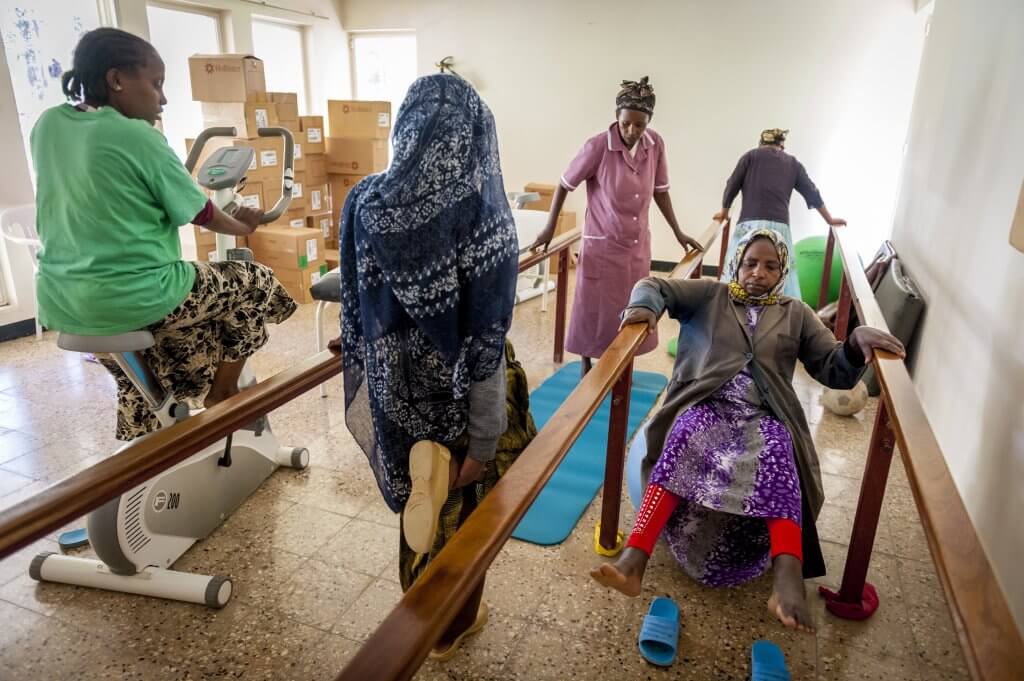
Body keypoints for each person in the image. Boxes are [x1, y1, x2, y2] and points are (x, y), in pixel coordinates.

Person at [590, 229, 905, 632]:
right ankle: (635, 558)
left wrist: (855, 343)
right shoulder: (711, 296)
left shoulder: (796, 312)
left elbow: (831, 367)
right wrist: (646, 310)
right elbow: (654, 284)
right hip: (707, 403)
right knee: (686, 431)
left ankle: (788, 577)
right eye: (750, 263)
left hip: (763, 414)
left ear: (782, 271)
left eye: (771, 266)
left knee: (778, 449)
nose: (759, 272)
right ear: (737, 264)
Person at [337, 74, 537, 660]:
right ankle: (450, 627)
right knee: (464, 514)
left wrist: (363, 348)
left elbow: (356, 297)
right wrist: (483, 440)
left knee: (418, 505)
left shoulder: (365, 199)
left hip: (395, 396)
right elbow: (482, 349)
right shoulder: (483, 215)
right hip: (457, 404)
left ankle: (421, 614)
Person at [32, 28, 296, 440]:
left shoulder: (48, 125)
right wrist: (243, 225)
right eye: (156, 84)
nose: (163, 99)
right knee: (254, 283)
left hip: (61, 300)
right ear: (117, 80)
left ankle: (146, 445)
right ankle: (223, 393)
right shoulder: (138, 136)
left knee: (147, 374)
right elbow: (202, 211)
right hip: (137, 295)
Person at [530, 77, 702, 377]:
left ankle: (623, 361)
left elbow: (661, 190)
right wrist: (548, 229)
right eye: (626, 124)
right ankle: (586, 363)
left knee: (634, 304)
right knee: (593, 308)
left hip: (636, 244)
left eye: (640, 125)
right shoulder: (598, 146)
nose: (632, 131)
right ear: (616, 117)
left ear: (648, 122)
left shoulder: (655, 144)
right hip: (603, 242)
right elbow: (564, 184)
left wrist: (679, 232)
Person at [713, 128, 846, 300]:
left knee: (740, 264)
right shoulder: (792, 163)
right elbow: (811, 191)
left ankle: (729, 303)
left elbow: (732, 185)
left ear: (761, 143)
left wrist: (724, 211)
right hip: (779, 227)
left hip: (748, 225)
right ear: (782, 145)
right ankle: (780, 309)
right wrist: (829, 218)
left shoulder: (750, 156)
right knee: (779, 270)